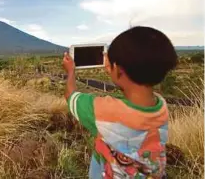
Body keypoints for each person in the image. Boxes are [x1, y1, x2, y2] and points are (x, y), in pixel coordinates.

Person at [63, 26, 177, 178]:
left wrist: (71, 71)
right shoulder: (161, 107)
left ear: (117, 69)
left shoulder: (104, 110)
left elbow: (71, 96)